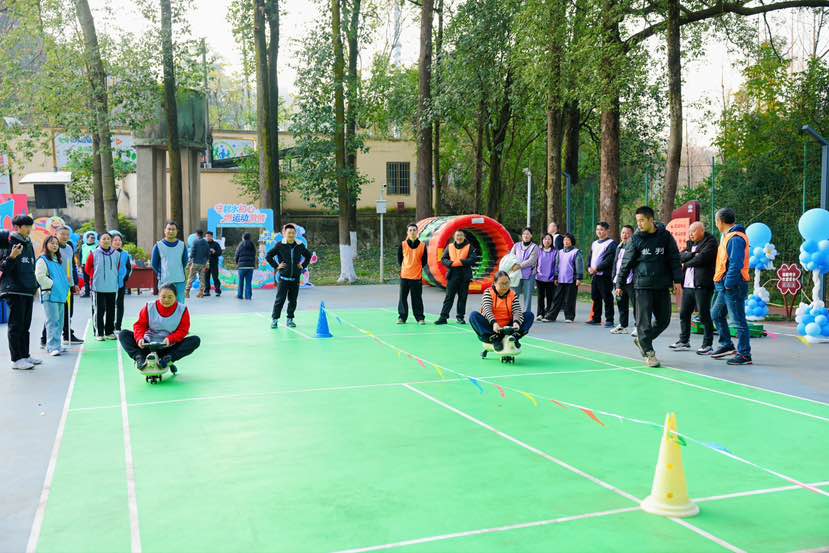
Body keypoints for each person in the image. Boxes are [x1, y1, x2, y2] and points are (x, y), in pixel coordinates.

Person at [616, 206, 682, 368]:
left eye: (642, 220)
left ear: (651, 220)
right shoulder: (636, 239)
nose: (639, 224)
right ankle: (649, 353)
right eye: (637, 221)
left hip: (662, 285)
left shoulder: (665, 236)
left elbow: (674, 258)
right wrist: (620, 283)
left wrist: (677, 280)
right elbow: (626, 263)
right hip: (642, 286)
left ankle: (642, 341)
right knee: (643, 322)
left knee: (664, 320)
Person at [119, 283, 201, 372]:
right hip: (148, 345)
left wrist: (170, 339)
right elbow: (140, 325)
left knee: (195, 340)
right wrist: (140, 339)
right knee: (123, 334)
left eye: (170, 297)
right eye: (163, 297)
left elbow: (183, 330)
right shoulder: (149, 306)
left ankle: (168, 359)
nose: (166, 300)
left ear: (176, 296)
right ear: (159, 296)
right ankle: (140, 358)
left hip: (168, 347)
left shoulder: (182, 309)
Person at [710, 208, 753, 365]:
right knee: (716, 314)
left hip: (733, 285)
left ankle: (744, 354)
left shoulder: (735, 238)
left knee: (738, 320)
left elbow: (736, 263)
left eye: (716, 221)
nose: (716, 224)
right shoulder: (728, 236)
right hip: (725, 285)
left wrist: (728, 284)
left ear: (720, 221)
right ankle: (726, 344)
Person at [1, 216, 41, 370]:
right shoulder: (7, 242)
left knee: (25, 326)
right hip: (14, 289)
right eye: (26, 226)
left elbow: (31, 267)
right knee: (16, 325)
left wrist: (34, 286)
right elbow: (3, 268)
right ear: (17, 227)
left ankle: (25, 355)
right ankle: (16, 359)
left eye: (30, 226)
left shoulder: (28, 243)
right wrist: (12, 257)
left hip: (27, 290)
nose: (29, 229)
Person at [671, 221, 717, 354]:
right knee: (684, 313)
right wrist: (692, 254)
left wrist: (687, 263)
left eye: (693, 231)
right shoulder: (690, 244)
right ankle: (684, 341)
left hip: (702, 285)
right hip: (688, 286)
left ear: (702, 231)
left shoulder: (710, 242)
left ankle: (707, 345)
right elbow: (679, 256)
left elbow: (701, 259)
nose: (690, 234)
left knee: (704, 315)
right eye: (689, 232)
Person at [40, 226, 83, 348]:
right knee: (53, 315)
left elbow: (72, 266)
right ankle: (45, 339)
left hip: (67, 284)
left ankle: (67, 335)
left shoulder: (69, 247)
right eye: (62, 234)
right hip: (55, 286)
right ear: (56, 234)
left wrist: (74, 284)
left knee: (68, 312)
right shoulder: (53, 249)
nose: (65, 236)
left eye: (67, 234)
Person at [470, 271, 533, 350]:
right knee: (473, 315)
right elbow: (487, 309)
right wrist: (494, 323)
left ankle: (515, 336)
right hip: (492, 327)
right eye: (501, 284)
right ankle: (494, 338)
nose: (505, 286)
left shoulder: (512, 294)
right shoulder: (488, 292)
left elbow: (517, 310)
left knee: (529, 315)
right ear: (494, 283)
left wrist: (516, 322)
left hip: (508, 327)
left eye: (507, 283)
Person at [266, 224, 311, 328]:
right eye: (289, 233)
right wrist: (277, 266)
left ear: (295, 234)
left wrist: (303, 265)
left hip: (295, 279)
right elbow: (269, 256)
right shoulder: (279, 245)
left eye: (293, 233)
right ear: (284, 234)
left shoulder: (300, 245)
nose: (291, 235)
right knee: (280, 300)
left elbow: (308, 256)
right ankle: (275, 320)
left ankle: (290, 319)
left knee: (293, 300)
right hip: (283, 279)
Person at [35, 236, 71, 356]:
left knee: (60, 322)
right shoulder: (42, 259)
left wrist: (64, 286)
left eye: (56, 243)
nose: (55, 245)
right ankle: (52, 347)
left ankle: (57, 345)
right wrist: (53, 284)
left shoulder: (57, 260)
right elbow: (40, 276)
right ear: (46, 244)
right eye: (52, 243)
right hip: (49, 294)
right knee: (52, 321)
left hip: (60, 294)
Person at [435, 229, 480, 325]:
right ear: (454, 237)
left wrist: (461, 262)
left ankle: (460, 317)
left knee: (462, 298)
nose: (459, 237)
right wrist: (450, 263)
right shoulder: (450, 246)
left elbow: (473, 259)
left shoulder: (469, 247)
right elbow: (443, 259)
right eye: (457, 235)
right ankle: (443, 317)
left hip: (464, 276)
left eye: (461, 235)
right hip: (452, 275)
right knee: (449, 297)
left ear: (464, 237)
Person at [85, 232, 121, 341]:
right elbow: (87, 268)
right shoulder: (94, 253)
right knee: (99, 310)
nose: (106, 240)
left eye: (108, 238)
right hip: (98, 287)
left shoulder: (116, 254)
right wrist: (96, 276)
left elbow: (118, 268)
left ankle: (109, 332)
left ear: (111, 241)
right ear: (99, 241)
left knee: (111, 310)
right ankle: (99, 333)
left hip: (112, 286)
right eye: (103, 238)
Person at [543, 233, 583, 322]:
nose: (566, 241)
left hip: (572, 280)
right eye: (565, 240)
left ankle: (569, 317)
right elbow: (557, 265)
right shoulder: (560, 252)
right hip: (561, 279)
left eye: (568, 240)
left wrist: (579, 278)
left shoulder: (576, 252)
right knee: (556, 298)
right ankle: (551, 316)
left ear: (572, 241)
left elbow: (579, 265)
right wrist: (556, 277)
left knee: (569, 299)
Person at [586, 222, 618, 327]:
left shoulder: (611, 244)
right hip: (595, 275)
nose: (599, 231)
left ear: (607, 231)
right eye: (597, 229)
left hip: (605, 275)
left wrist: (597, 268)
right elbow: (590, 257)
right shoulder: (594, 243)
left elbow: (609, 259)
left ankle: (609, 320)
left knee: (607, 297)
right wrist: (589, 267)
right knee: (595, 297)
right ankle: (596, 318)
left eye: (601, 229)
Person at [397, 223, 428, 324]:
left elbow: (424, 261)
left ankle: (420, 318)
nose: (412, 232)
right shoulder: (403, 245)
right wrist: (406, 268)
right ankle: (402, 318)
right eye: (410, 230)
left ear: (417, 232)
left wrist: (416, 268)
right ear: (407, 232)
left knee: (417, 299)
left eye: (414, 230)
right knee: (402, 298)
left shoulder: (422, 245)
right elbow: (399, 259)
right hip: (404, 276)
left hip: (416, 277)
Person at [151, 221, 188, 304]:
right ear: (165, 230)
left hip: (180, 280)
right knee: (164, 303)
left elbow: (185, 262)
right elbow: (154, 264)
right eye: (169, 229)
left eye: (173, 229)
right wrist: (162, 273)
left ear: (177, 231)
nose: (171, 231)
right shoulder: (158, 245)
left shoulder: (182, 245)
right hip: (164, 280)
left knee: (180, 303)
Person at [610, 225, 636, 334]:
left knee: (636, 305)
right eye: (623, 233)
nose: (624, 235)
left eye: (627, 233)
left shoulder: (634, 247)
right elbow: (615, 263)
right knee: (621, 304)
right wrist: (614, 278)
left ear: (632, 235)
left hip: (631, 281)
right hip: (619, 281)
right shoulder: (619, 246)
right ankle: (623, 325)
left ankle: (638, 326)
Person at [510, 227, 539, 313]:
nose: (526, 236)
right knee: (514, 295)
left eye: (528, 234)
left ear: (531, 235)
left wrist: (519, 266)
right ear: (522, 236)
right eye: (524, 234)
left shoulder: (534, 247)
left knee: (528, 296)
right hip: (516, 274)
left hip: (529, 275)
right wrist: (513, 265)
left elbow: (531, 260)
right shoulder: (516, 245)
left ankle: (526, 314)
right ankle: (512, 313)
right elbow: (511, 257)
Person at [111, 233, 133, 332]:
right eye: (115, 240)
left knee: (120, 304)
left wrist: (125, 277)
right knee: (110, 305)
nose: (118, 242)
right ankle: (110, 326)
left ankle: (118, 326)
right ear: (111, 242)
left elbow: (129, 268)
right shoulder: (108, 253)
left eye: (119, 240)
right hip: (109, 283)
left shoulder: (125, 254)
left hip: (121, 283)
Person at [535, 233, 558, 321]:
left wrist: (555, 277)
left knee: (550, 297)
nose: (547, 241)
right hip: (539, 278)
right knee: (540, 297)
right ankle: (540, 314)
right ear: (542, 240)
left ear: (552, 241)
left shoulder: (555, 252)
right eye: (545, 239)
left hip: (551, 279)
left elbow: (556, 265)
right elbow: (535, 263)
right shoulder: (539, 251)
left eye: (549, 239)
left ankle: (548, 313)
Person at [186, 229, 210, 299]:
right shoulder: (206, 242)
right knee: (202, 278)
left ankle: (187, 293)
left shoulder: (195, 241)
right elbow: (208, 253)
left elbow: (193, 252)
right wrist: (206, 261)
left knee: (191, 277)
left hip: (195, 263)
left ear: (196, 234)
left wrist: (190, 260)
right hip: (203, 263)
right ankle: (201, 293)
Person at [235, 232, 257, 300]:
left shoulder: (240, 245)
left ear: (243, 237)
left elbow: (236, 255)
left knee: (240, 282)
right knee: (248, 282)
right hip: (250, 267)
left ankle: (240, 295)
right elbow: (254, 255)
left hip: (241, 267)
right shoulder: (252, 245)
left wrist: (237, 263)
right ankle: (248, 296)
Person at [203, 231, 222, 297]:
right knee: (206, 278)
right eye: (206, 236)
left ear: (212, 236)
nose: (207, 237)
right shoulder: (204, 244)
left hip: (214, 263)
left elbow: (220, 253)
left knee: (215, 277)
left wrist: (214, 252)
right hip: (206, 264)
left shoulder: (216, 244)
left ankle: (217, 291)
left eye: (209, 236)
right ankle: (207, 291)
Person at [80, 231, 97, 297]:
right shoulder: (83, 246)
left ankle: (95, 292)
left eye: (94, 238)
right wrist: (80, 264)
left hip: (93, 266)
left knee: (94, 279)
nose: (93, 239)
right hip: (84, 265)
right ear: (87, 238)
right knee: (86, 280)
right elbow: (81, 255)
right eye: (91, 237)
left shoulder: (97, 246)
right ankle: (87, 293)